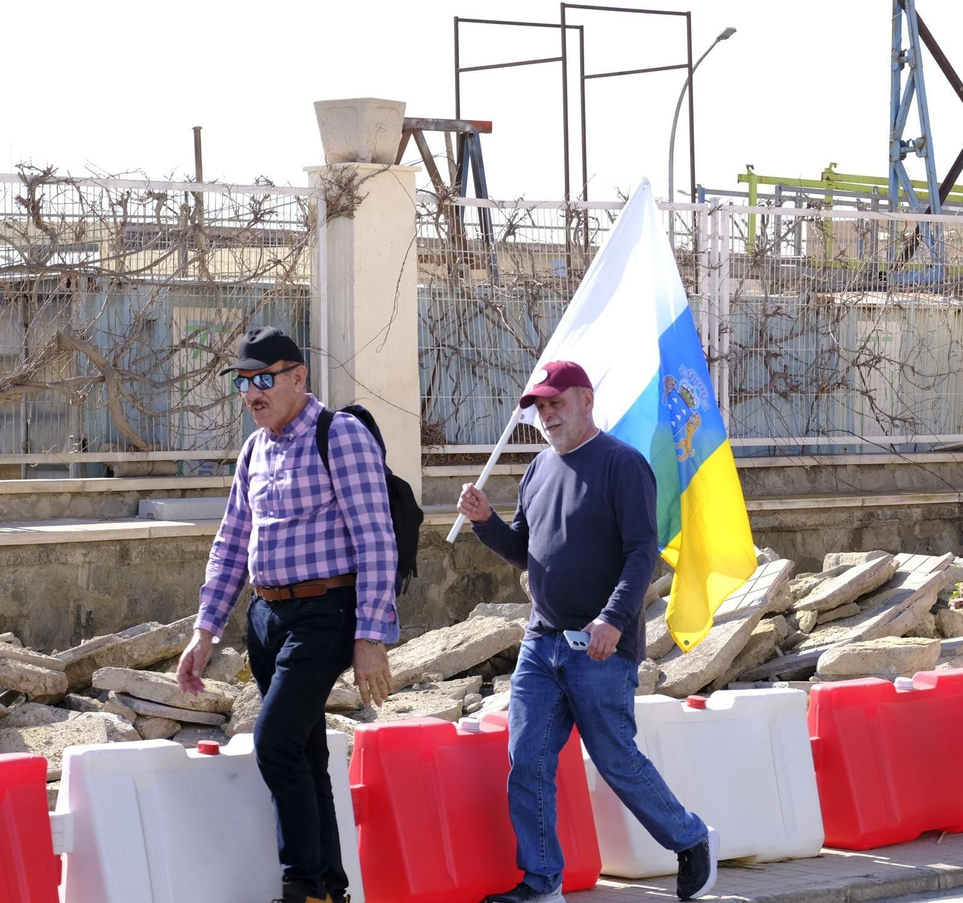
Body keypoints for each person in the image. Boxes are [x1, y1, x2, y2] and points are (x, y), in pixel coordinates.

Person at [457, 360, 717, 903]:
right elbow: (524, 552)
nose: (547, 415)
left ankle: (690, 837)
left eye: (556, 403)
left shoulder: (623, 465)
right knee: (527, 760)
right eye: (540, 408)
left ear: (586, 401)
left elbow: (642, 552)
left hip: (601, 647)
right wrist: (485, 523)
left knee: (615, 759)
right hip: (541, 642)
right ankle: (542, 881)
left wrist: (613, 620)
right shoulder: (537, 469)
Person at [176, 326, 397, 903]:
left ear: (298, 377)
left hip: (326, 612)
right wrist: (205, 631)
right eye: (243, 382)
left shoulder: (339, 435)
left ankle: (302, 885)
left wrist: (371, 636)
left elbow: (377, 538)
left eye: (264, 379)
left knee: (274, 743)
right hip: (266, 618)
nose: (252, 392)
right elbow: (231, 543)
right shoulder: (255, 449)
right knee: (304, 752)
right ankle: (329, 888)